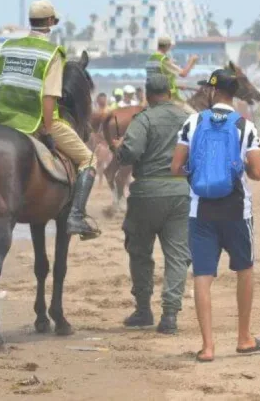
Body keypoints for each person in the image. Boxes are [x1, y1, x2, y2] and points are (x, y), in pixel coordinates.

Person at [171, 69, 260, 363]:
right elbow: (259, 173)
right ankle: (244, 338)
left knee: (203, 275)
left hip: (200, 210)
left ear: (212, 92)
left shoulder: (192, 122)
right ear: (234, 94)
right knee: (244, 270)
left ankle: (208, 347)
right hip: (237, 210)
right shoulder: (245, 126)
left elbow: (175, 167)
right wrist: (240, 169)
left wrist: (198, 173)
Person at [0, 0, 99, 239]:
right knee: (89, 158)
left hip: (1, 121)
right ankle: (76, 216)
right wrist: (47, 131)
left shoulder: (8, 47)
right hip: (35, 122)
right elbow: (49, 98)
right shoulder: (52, 53)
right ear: (50, 22)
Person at [110, 75, 191, 334]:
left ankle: (144, 310)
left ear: (147, 94)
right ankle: (170, 315)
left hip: (146, 192)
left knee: (140, 252)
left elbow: (130, 154)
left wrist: (118, 148)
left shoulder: (143, 119)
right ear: (169, 92)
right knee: (177, 255)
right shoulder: (186, 119)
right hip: (181, 192)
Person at [145, 36, 198, 112]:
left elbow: (156, 79)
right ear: (167, 46)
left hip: (151, 96)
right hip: (167, 97)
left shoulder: (150, 59)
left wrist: (177, 86)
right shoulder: (164, 60)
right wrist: (192, 61)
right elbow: (183, 74)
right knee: (195, 115)